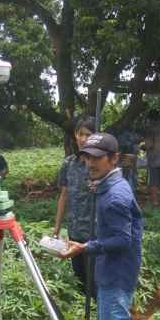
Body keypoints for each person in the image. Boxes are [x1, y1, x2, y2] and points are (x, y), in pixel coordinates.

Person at [59, 133, 143, 320]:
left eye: (97, 158)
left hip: (116, 275)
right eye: (86, 158)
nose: (90, 164)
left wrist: (86, 247)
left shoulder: (115, 196)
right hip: (111, 271)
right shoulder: (109, 186)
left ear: (113, 158)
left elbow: (122, 239)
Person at [53, 116, 96, 294]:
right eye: (80, 134)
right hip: (75, 229)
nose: (83, 138)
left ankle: (96, 315)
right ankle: (83, 318)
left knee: (95, 278)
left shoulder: (100, 164)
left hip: (95, 230)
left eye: (88, 134)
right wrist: (56, 227)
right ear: (75, 135)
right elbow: (64, 195)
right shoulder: (69, 163)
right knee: (79, 276)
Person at [141, 109, 160, 206]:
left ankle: (155, 201)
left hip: (154, 160)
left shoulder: (150, 129)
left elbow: (149, 145)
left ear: (150, 119)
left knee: (153, 182)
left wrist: (141, 146)